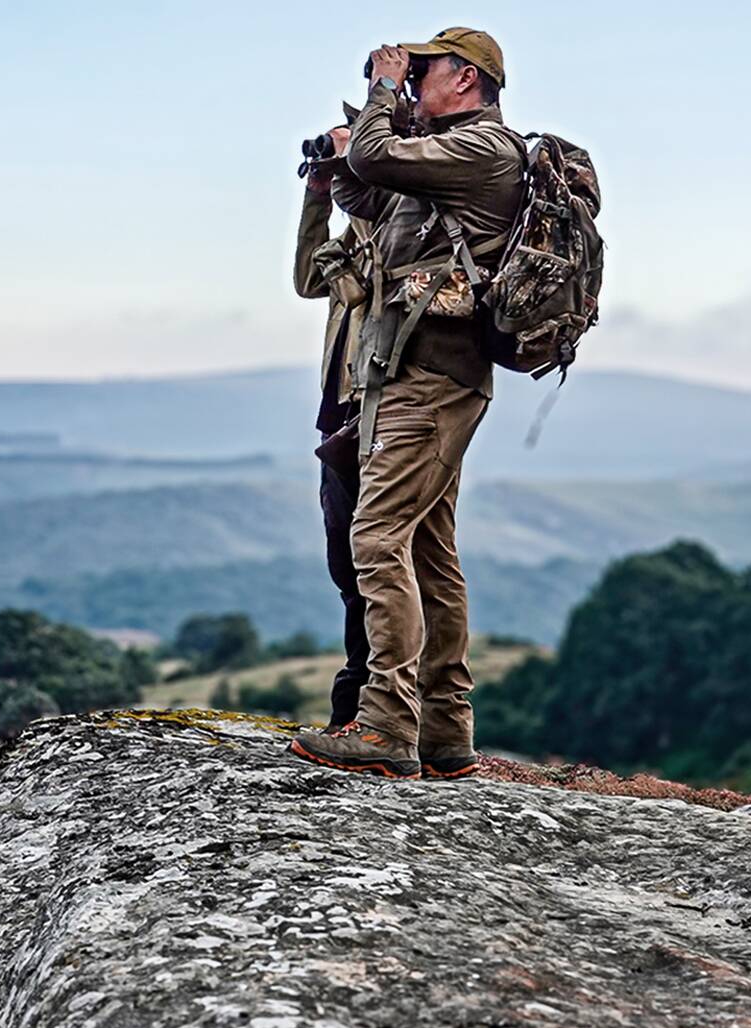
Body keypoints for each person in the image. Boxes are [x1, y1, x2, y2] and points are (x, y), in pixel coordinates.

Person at [289, 28, 525, 780]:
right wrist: (332, 167)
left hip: (432, 378)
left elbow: (376, 156)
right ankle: (448, 731)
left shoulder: (485, 149)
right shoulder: (440, 159)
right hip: (412, 374)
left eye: (424, 71)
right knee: (429, 550)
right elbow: (368, 190)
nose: (412, 79)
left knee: (377, 534)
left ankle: (389, 725)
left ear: (466, 79)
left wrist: (383, 97)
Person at [292, 125, 372, 734]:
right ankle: (357, 699)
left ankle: (366, 702)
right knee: (345, 563)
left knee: (373, 559)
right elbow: (306, 281)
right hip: (337, 416)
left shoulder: (396, 220)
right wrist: (318, 193)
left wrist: (354, 170)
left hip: (375, 411)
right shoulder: (356, 231)